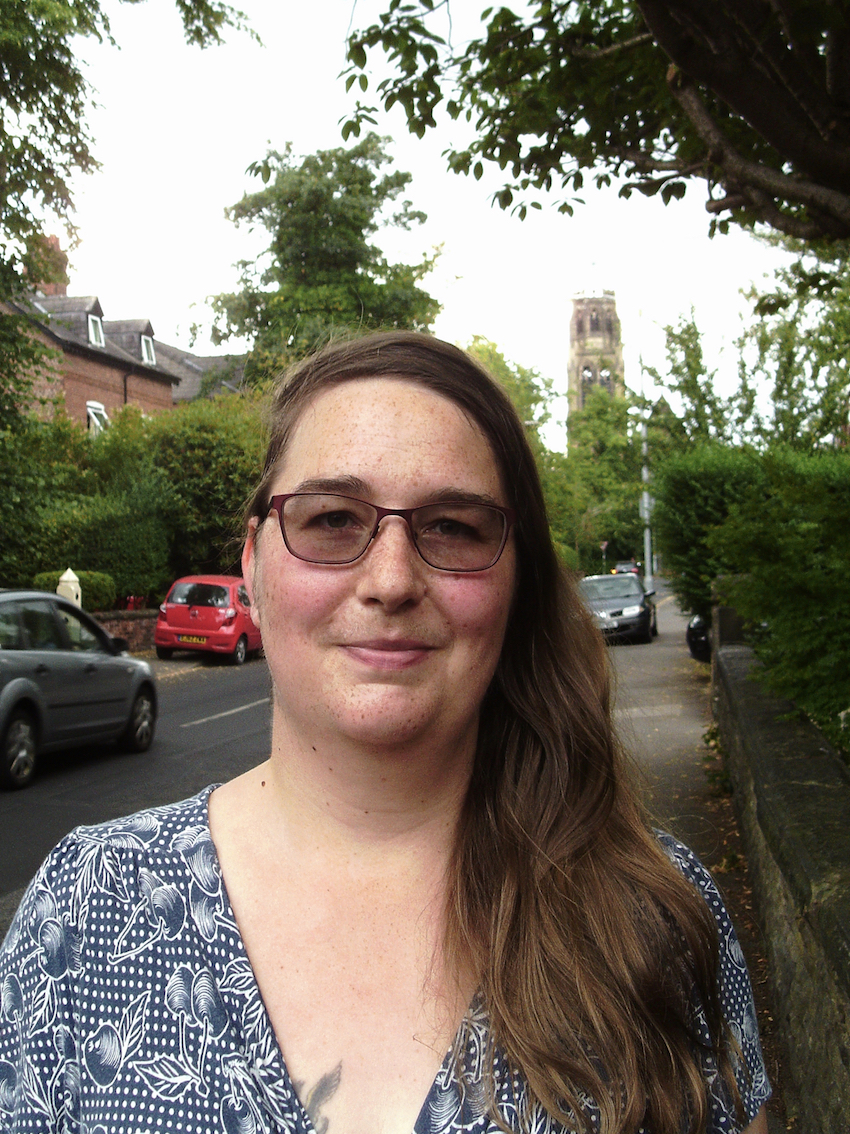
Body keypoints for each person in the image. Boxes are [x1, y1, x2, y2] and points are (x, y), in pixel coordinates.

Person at [0, 332, 770, 1134]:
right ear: (255, 567)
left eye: (454, 527)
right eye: (332, 518)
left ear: (517, 585)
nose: (393, 579)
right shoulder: (86, 913)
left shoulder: (656, 921)